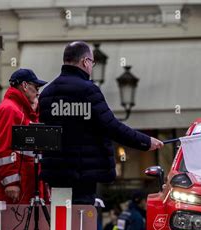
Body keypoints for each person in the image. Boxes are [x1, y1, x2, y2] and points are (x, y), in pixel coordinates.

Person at [39, 41, 163, 204]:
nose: (92, 67)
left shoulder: (47, 93)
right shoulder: (88, 90)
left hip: (56, 174)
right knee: (81, 220)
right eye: (92, 62)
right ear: (85, 61)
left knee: (61, 219)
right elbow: (111, 127)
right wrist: (145, 141)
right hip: (83, 174)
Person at [0, 69, 47, 203]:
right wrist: (10, 182)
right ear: (24, 86)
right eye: (36, 87)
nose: (37, 92)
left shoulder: (19, 110)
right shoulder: (10, 110)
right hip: (15, 188)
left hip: (24, 185)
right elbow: (3, 148)